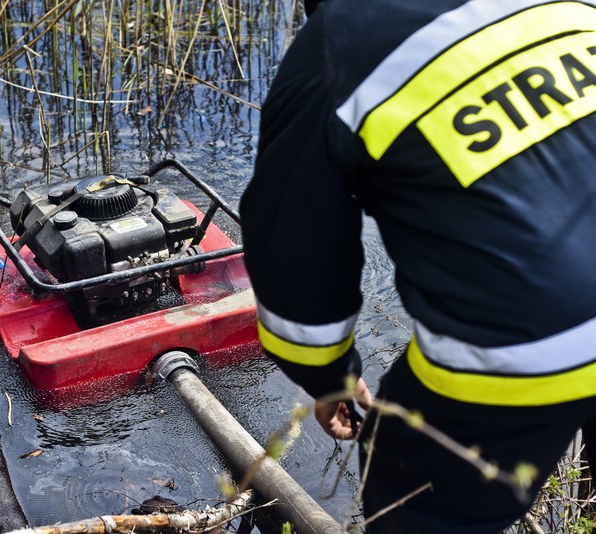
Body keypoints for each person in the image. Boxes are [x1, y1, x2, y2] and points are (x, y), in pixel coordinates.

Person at [239, 0, 596, 532]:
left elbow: (292, 253)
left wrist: (330, 376)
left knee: (407, 481)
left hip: (532, 342)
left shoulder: (338, 41)